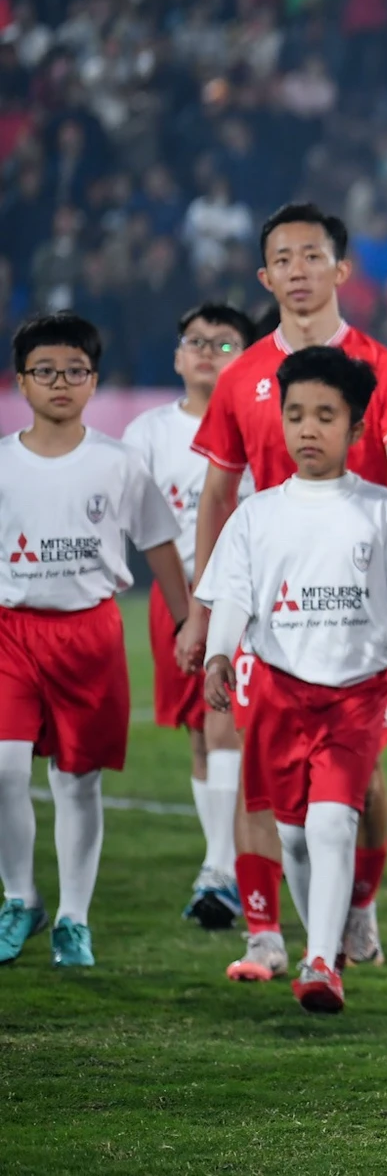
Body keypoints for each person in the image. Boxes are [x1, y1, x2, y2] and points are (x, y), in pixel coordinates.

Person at [179, 201, 387, 982]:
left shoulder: (385, 368)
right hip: (270, 610)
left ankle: (356, 909)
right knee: (262, 763)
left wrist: (363, 548)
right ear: (266, 275)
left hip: (354, 606)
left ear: (339, 269)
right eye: (282, 258)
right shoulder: (243, 373)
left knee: (359, 780)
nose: (297, 270)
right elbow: (220, 494)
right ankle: (266, 932)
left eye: (311, 256)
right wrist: (204, 606)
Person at [0, 312, 188, 968]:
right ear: (20, 381)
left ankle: (74, 918)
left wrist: (188, 618)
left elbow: (159, 543)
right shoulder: (1, 464)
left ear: (93, 380)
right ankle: (20, 896)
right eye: (45, 370)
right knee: (3, 767)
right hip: (12, 631)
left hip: (91, 632)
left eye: (74, 370)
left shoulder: (118, 462)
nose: (60, 381)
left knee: (78, 780)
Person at [121, 301, 255, 926]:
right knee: (200, 731)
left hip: (246, 595)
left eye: (224, 343)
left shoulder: (261, 422)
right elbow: (142, 527)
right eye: (195, 341)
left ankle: (223, 867)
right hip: (176, 593)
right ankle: (221, 861)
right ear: (176, 356)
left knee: (227, 719)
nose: (207, 352)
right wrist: (182, 607)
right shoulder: (147, 432)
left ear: (247, 357)